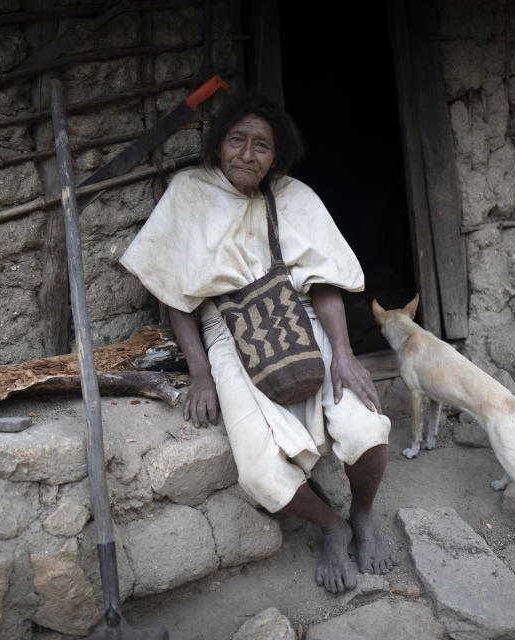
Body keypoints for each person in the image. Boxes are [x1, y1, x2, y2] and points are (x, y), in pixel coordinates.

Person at [120, 94, 395, 593]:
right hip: (226, 329)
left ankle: (362, 516)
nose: (247, 155)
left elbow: (324, 281)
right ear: (218, 144)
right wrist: (201, 373)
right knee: (260, 472)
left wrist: (346, 354)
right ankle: (330, 526)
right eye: (237, 140)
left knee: (366, 430)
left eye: (261, 146)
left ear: (277, 156)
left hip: (299, 316)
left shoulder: (294, 196)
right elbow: (174, 297)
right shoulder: (190, 193)